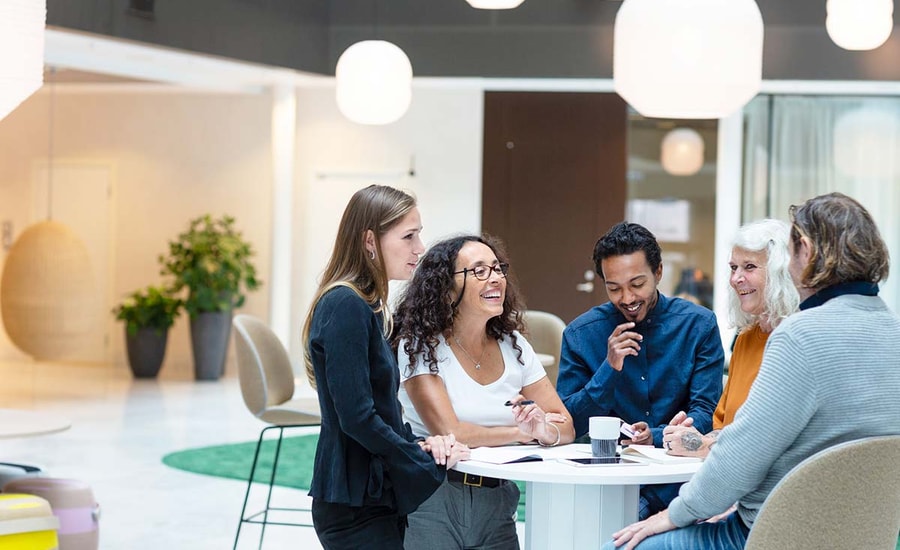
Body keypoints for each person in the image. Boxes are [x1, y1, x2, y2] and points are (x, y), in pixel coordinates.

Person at [608, 192, 900, 550]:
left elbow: (739, 460)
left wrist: (672, 515)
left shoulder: (800, 337)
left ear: (804, 252)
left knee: (620, 546)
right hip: (864, 537)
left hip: (774, 533)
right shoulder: (893, 332)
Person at [303, 185, 470, 550]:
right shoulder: (345, 305)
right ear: (369, 241)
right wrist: (420, 460)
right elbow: (357, 418)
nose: (420, 247)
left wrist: (420, 445)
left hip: (371, 494)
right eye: (409, 235)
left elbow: (381, 411)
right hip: (354, 504)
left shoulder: (366, 306)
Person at [393, 234, 575, 550]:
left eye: (497, 268)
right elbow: (451, 431)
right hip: (434, 496)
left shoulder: (515, 346)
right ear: (447, 289)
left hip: (498, 498)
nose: (495, 278)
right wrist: (521, 433)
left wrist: (544, 431)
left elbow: (566, 425)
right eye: (478, 271)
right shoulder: (420, 345)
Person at [556, 221, 724, 519]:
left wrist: (655, 436)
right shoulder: (581, 334)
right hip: (607, 482)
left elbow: (706, 411)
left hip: (681, 479)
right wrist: (609, 369)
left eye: (637, 284)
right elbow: (569, 424)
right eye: (614, 288)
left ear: (658, 272)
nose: (628, 299)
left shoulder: (698, 325)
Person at [663, 219, 799, 458]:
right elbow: (723, 427)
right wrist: (694, 438)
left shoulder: (799, 342)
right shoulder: (745, 339)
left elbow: (776, 440)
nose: (736, 278)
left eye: (749, 267)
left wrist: (704, 448)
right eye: (733, 268)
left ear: (780, 274)